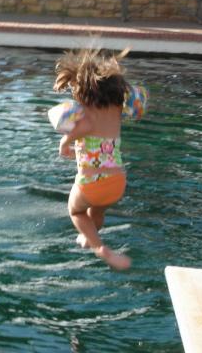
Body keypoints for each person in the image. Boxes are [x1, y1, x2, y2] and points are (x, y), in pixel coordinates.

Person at [49, 48, 145, 271]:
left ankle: (101, 249)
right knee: (96, 213)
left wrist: (65, 143)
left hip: (92, 183)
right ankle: (89, 237)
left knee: (76, 211)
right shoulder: (116, 108)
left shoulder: (85, 112)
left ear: (83, 91)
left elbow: (87, 127)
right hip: (117, 182)